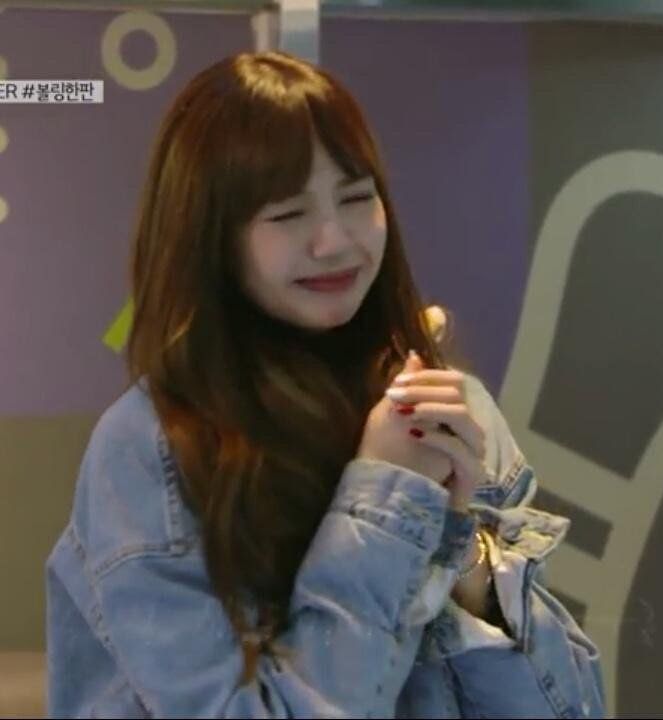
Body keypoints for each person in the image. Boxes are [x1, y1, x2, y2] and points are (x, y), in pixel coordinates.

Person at [45, 51, 605, 718]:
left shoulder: (440, 408)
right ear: (209, 236)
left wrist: (466, 564)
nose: (334, 241)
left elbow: (568, 707)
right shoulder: (151, 450)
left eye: (357, 197)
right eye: (287, 214)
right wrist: (388, 499)